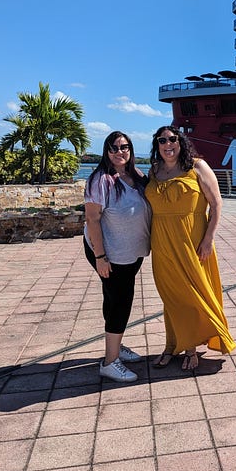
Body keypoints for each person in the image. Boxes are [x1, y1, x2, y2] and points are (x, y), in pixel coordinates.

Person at [144, 126, 236, 371]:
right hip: (162, 242)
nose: (167, 144)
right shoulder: (153, 171)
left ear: (180, 142)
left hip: (193, 242)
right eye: (162, 140)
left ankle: (191, 348)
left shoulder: (197, 167)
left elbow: (216, 204)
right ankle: (172, 344)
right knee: (171, 296)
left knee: (194, 295)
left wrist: (208, 239)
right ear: (157, 145)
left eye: (172, 139)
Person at [84, 131, 151, 383]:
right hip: (110, 252)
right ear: (106, 151)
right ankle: (110, 362)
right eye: (113, 148)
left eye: (124, 147)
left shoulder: (136, 176)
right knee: (121, 301)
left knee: (112, 299)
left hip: (130, 252)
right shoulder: (100, 180)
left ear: (130, 149)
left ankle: (116, 344)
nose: (119, 152)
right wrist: (101, 256)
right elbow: (92, 219)